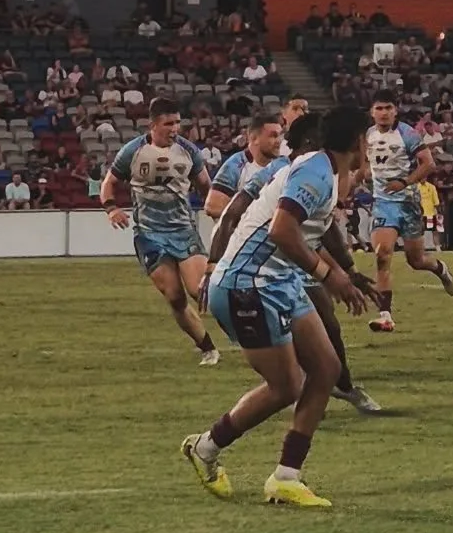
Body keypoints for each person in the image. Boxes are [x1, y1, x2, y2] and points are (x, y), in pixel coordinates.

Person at [182, 104, 376, 508]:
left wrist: (348, 272)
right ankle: (205, 447)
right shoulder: (317, 173)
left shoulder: (323, 171)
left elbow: (315, 230)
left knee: (326, 368)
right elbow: (282, 229)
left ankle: (286, 477)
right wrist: (330, 275)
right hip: (246, 285)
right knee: (288, 386)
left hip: (278, 279)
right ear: (358, 142)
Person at [205, 113, 380, 417]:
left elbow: (323, 227)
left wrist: (348, 271)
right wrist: (211, 264)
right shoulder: (284, 170)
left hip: (298, 259)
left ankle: (335, 386)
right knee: (300, 347)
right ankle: (302, 390)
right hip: (268, 264)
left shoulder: (327, 173)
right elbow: (231, 213)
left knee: (329, 326)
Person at [100, 97, 220, 366]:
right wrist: (111, 209)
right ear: (153, 125)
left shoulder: (189, 152)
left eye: (178, 122)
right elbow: (108, 184)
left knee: (200, 291)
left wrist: (218, 217)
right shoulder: (132, 152)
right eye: (169, 123)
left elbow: (206, 188)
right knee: (175, 298)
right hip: (149, 235)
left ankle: (253, 336)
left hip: (183, 231)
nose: (175, 128)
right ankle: (208, 348)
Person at [365, 95, 453, 333]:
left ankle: (440, 269)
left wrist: (405, 182)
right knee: (382, 254)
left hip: (408, 203)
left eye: (388, 107)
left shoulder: (407, 134)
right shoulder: (367, 136)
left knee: (416, 261)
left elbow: (428, 164)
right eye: (379, 108)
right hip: (383, 204)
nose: (384, 112)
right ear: (372, 112)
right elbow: (363, 165)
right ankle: (385, 315)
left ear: (395, 111)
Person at [203, 114, 285, 217]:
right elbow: (212, 206)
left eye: (280, 135)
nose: (279, 141)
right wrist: (253, 217)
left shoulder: (283, 165)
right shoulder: (236, 164)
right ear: (254, 138)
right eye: (273, 135)